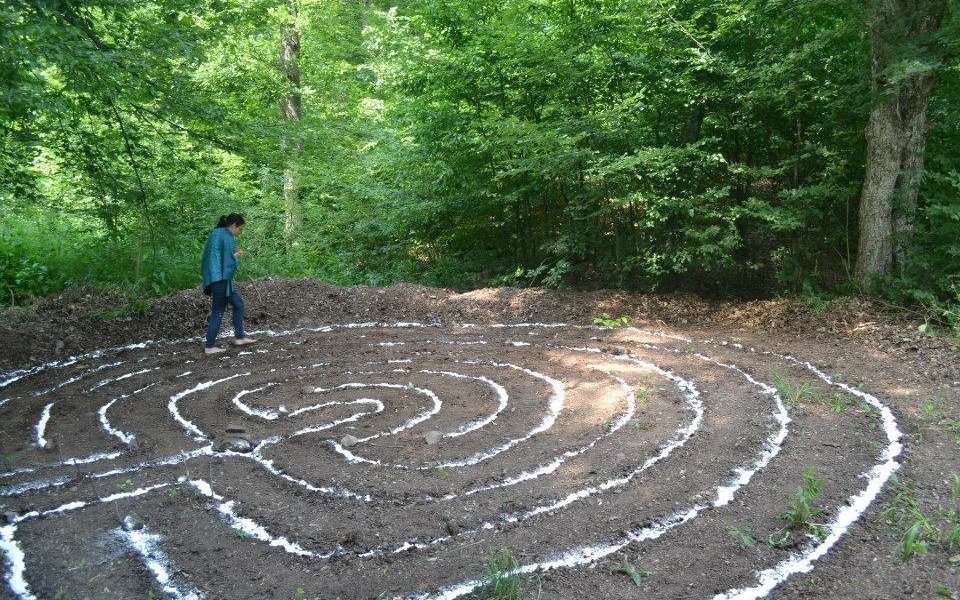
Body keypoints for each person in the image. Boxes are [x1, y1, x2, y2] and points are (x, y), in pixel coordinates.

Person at [201, 213, 256, 355]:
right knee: (218, 310)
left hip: (218, 278)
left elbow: (217, 258)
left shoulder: (217, 234)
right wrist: (236, 257)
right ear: (233, 225)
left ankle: (239, 337)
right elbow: (228, 263)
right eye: (240, 228)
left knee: (238, 304)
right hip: (220, 280)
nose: (240, 232)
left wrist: (232, 256)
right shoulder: (226, 236)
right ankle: (210, 346)